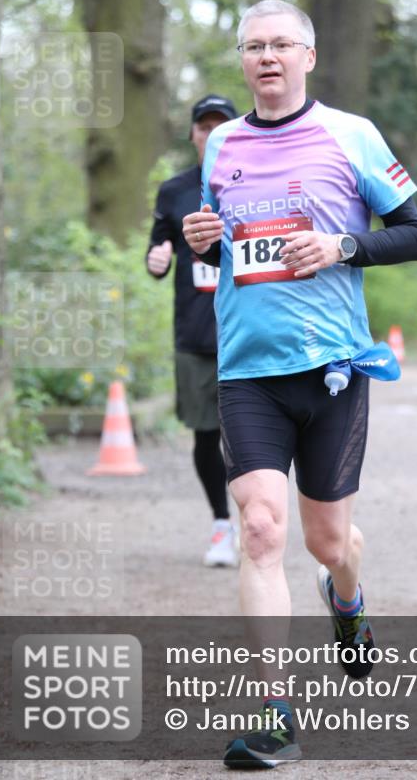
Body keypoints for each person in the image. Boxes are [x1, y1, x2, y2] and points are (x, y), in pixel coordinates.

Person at [183, 0, 417, 768]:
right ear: (243, 58)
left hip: (329, 370)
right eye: (253, 45)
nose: (266, 57)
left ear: (308, 56)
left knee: (327, 542)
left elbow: (416, 235)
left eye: (281, 44)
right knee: (260, 529)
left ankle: (347, 602)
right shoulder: (220, 143)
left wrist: (341, 245)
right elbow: (215, 252)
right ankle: (275, 714)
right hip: (247, 371)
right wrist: (203, 242)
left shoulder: (351, 134)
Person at [147, 94, 239, 567]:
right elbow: (157, 248)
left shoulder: (252, 181)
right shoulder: (174, 191)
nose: (210, 133)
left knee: (250, 436)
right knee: (207, 435)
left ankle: (259, 519)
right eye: (202, 126)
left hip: (248, 331)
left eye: (219, 125)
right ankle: (222, 523)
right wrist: (156, 259)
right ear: (192, 134)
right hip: (197, 333)